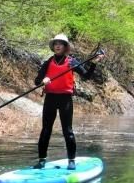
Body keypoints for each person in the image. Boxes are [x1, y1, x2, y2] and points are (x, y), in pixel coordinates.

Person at [33, 34, 103, 170]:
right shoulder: (48, 62)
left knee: (68, 131)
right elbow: (37, 81)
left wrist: (94, 63)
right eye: (55, 43)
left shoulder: (72, 62)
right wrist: (43, 80)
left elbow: (87, 76)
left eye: (61, 43)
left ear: (65, 47)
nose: (57, 45)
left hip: (65, 100)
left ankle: (71, 161)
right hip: (50, 99)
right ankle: (42, 161)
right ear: (53, 47)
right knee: (46, 130)